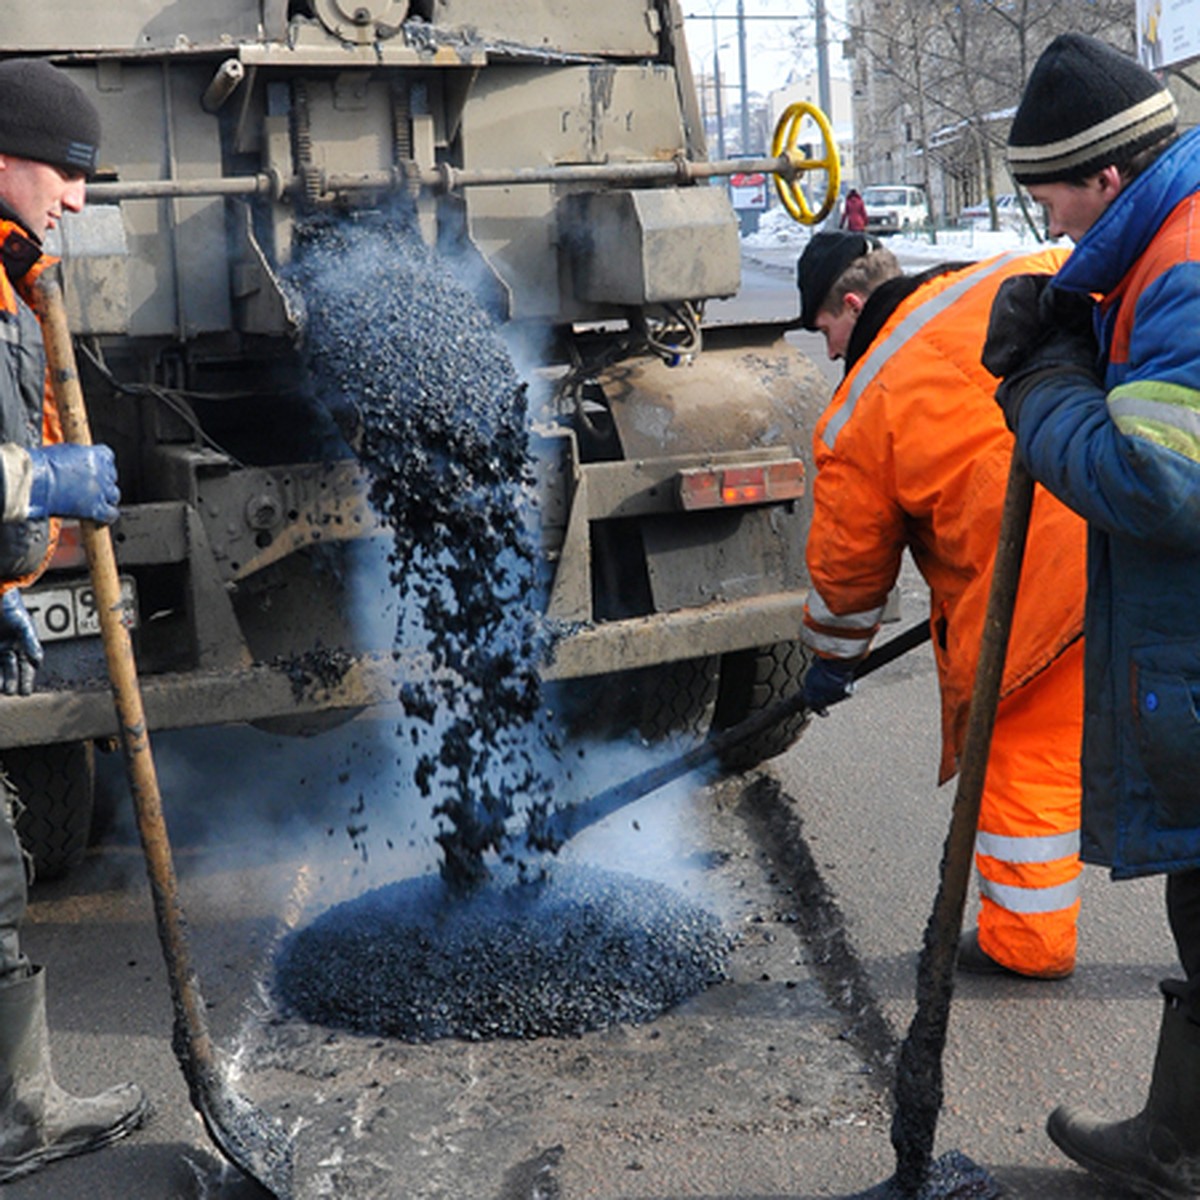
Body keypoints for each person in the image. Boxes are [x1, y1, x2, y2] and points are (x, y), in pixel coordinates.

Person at [983, 31, 1200, 1196]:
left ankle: (1180, 1151)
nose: (1051, 224)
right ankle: (1181, 1141)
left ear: (1106, 177)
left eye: (1051, 199)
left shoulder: (1184, 263)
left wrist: (1045, 390)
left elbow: (1158, 481)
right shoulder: (1166, 240)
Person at [795, 229, 1088, 980]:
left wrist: (832, 659)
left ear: (852, 304)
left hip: (1045, 584)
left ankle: (1028, 942)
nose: (829, 351)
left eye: (824, 328)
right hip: (1144, 516)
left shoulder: (861, 409)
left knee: (1023, 757)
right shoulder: (1021, 269)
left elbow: (849, 572)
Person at [0, 57, 145, 1183]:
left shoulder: (12, 275)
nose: (80, 196)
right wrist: (35, 486)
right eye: (66, 169)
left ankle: (20, 1109)